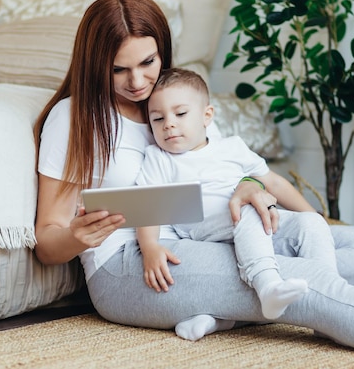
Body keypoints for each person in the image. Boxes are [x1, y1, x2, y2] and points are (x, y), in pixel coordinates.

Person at [33, 0, 354, 369]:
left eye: (148, 62)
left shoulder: (174, 103)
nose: (138, 82)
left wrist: (254, 188)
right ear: (95, 61)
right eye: (119, 69)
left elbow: (229, 169)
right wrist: (76, 236)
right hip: (133, 265)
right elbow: (46, 242)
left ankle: (229, 312)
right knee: (305, 282)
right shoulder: (75, 117)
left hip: (212, 232)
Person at [135, 67, 340, 324]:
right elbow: (147, 205)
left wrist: (317, 217)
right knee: (250, 205)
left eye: (180, 113)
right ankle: (268, 287)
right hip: (203, 229)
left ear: (207, 115)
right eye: (157, 119)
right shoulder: (160, 158)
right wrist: (150, 247)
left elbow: (274, 183)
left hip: (247, 223)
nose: (169, 124)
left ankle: (330, 302)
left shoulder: (232, 147)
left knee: (311, 223)